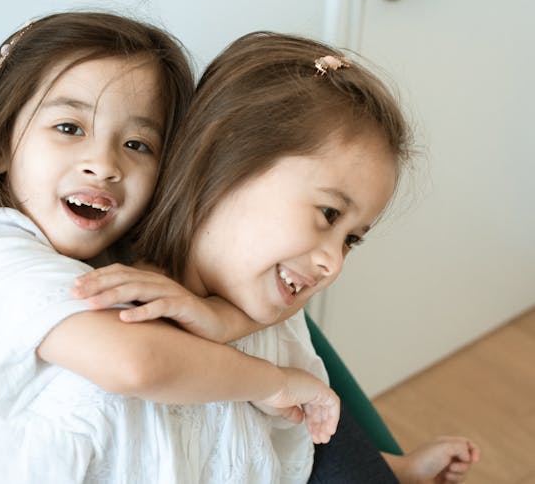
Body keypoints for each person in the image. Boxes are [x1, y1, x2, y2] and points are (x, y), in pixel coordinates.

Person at [0, 13, 342, 484]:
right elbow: (136, 363)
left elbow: (236, 317)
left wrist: (219, 318)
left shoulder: (123, 250)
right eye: (70, 128)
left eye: (137, 144)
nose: (103, 165)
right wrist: (274, 383)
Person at [67, 33, 481, 483]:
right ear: (225, 160)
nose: (333, 264)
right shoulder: (110, 314)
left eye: (351, 240)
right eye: (328, 214)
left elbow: (307, 444)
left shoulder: (271, 313)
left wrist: (394, 470)